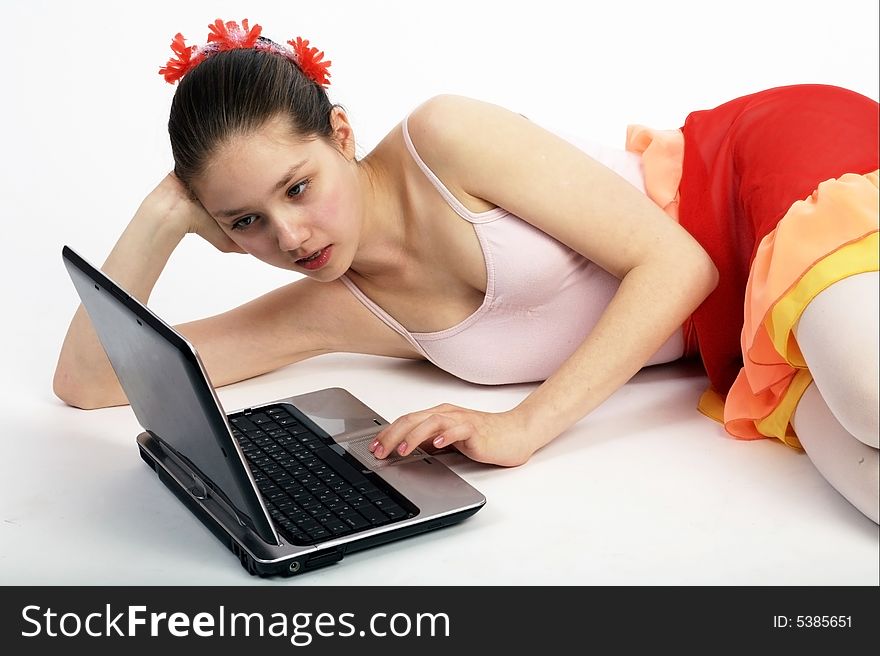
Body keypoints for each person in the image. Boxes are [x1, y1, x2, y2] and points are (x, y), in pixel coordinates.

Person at [53, 19, 879, 523]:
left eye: (297, 187)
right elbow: (90, 380)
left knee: (869, 396)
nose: (291, 234)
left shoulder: (444, 140)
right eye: (246, 222)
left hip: (756, 179)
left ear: (341, 133)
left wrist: (522, 426)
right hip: (737, 332)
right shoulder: (336, 310)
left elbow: (679, 260)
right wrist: (162, 215)